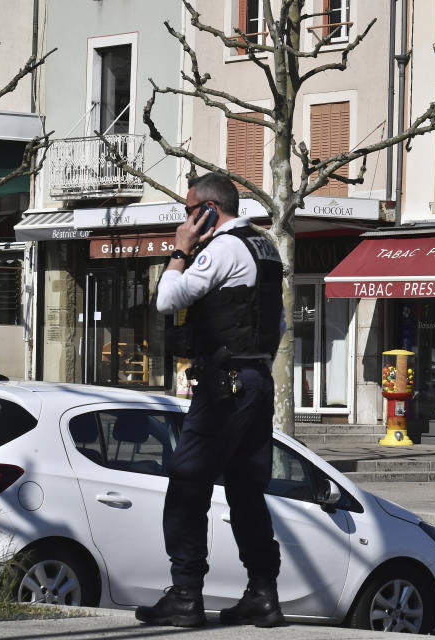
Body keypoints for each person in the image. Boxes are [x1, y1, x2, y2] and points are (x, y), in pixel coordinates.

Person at [135, 173, 285, 628]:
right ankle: (262, 594)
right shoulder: (266, 247)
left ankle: (185, 596)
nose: (184, 218)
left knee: (187, 483)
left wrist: (181, 249)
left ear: (208, 210)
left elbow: (167, 298)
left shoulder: (221, 248)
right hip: (256, 379)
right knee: (245, 490)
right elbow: (275, 324)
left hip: (227, 383)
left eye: (188, 210)